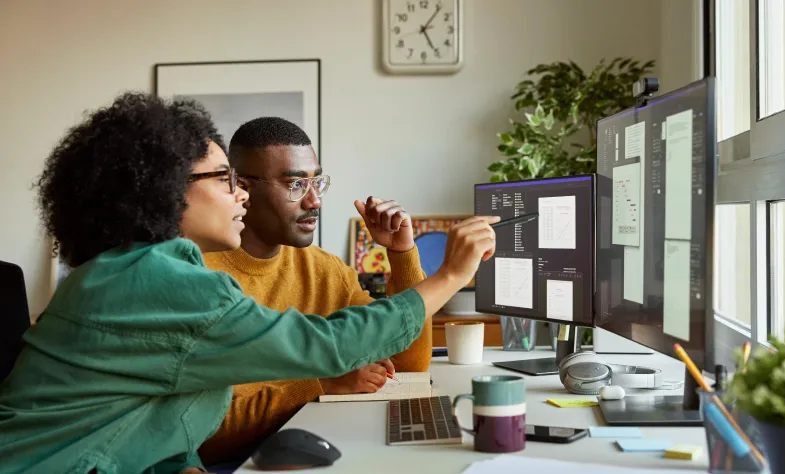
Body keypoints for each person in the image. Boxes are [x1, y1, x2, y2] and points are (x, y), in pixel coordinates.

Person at [0, 92, 499, 474]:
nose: (238, 195)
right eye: (224, 180)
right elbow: (328, 345)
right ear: (165, 190)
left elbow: (137, 416)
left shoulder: (124, 272)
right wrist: (451, 275)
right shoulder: (158, 281)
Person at [197, 117, 432, 463]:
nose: (315, 202)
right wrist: (323, 384)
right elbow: (202, 432)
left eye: (317, 183)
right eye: (295, 185)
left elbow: (407, 362)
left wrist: (401, 254)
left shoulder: (324, 270)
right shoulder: (197, 276)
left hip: (311, 446)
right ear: (243, 189)